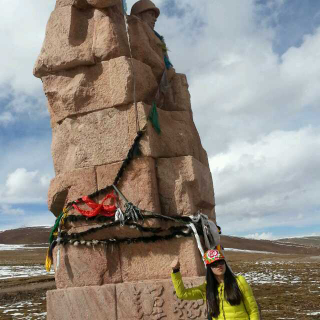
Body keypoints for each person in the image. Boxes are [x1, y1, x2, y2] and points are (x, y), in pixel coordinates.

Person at [171, 249, 260, 320]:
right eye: (214, 264)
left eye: (221, 262)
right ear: (209, 268)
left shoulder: (239, 282)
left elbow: (252, 310)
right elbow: (182, 294)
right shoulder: (207, 288)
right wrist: (176, 271)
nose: (219, 266)